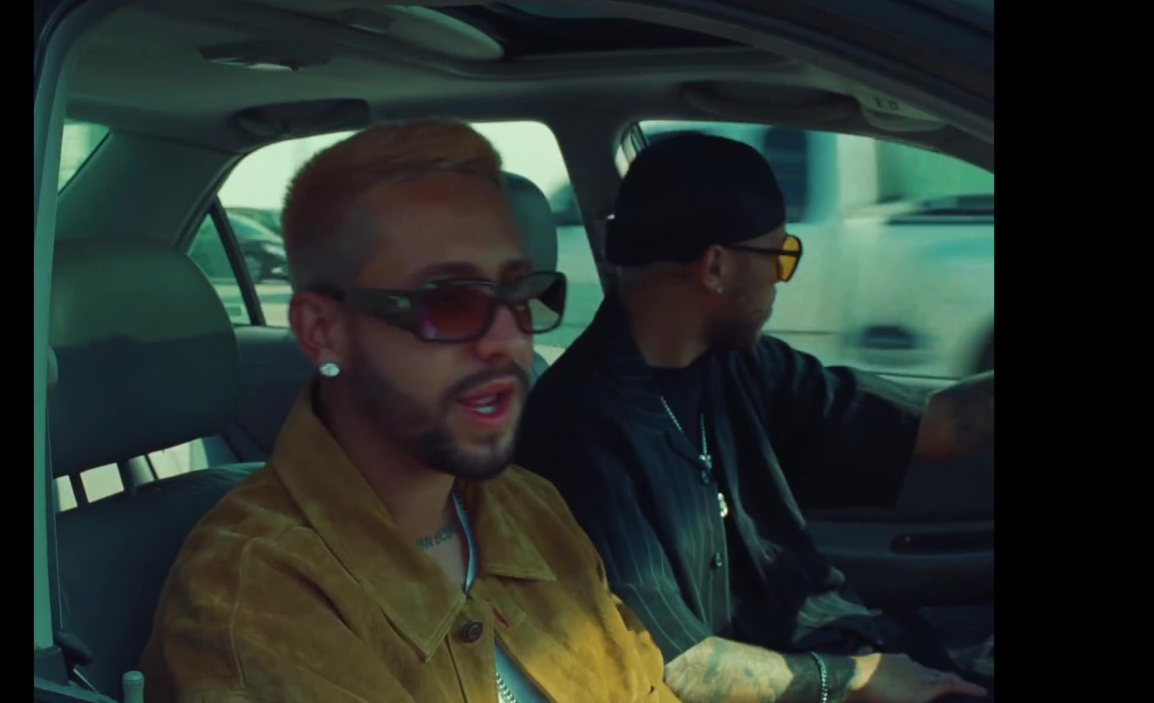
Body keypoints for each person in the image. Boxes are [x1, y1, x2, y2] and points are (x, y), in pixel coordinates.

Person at [137, 120, 681, 703]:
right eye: (448, 302)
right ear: (323, 332)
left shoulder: (530, 506)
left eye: (521, 294)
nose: (508, 340)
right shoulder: (253, 594)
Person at [515, 132, 994, 703]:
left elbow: (946, 425)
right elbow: (675, 667)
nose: (781, 279)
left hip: (840, 645)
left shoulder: (741, 365)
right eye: (781, 257)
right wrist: (857, 678)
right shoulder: (578, 432)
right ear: (716, 267)